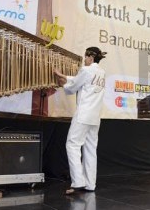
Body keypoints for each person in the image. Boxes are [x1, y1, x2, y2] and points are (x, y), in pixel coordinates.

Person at [54, 47, 107, 195]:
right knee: (90, 149)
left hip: (83, 114)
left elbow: (74, 86)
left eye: (85, 57)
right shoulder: (102, 73)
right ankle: (90, 183)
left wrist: (63, 83)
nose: (84, 59)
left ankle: (78, 181)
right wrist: (64, 76)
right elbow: (80, 80)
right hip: (95, 117)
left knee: (72, 144)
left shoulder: (86, 70)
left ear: (90, 57)